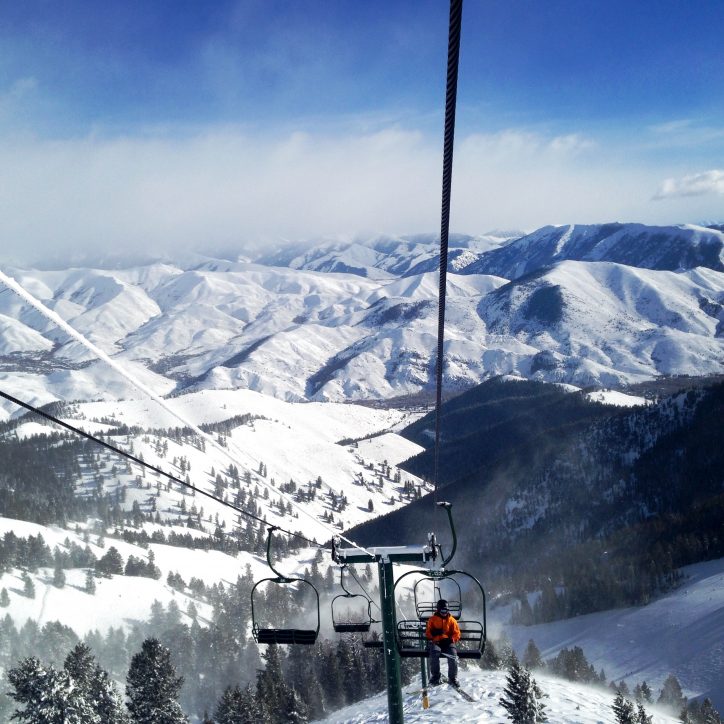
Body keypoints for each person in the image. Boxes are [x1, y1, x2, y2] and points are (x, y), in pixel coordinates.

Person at [425, 598, 461, 686]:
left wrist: (451, 639)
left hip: (448, 643)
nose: (444, 613)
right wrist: (434, 634)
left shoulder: (452, 620)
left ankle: (452, 678)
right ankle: (436, 677)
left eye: (446, 610)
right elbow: (428, 633)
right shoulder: (432, 620)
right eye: (442, 610)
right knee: (434, 653)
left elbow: (457, 633)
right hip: (437, 642)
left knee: (453, 655)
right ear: (438, 610)